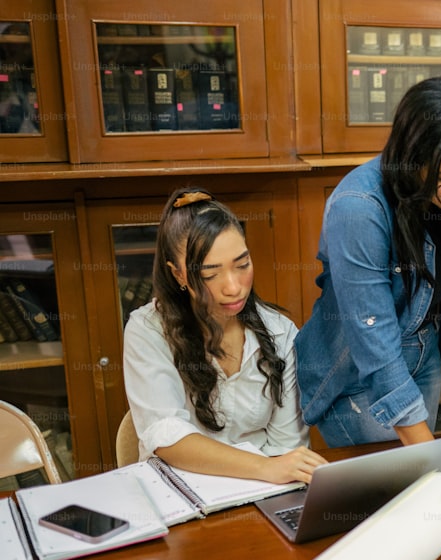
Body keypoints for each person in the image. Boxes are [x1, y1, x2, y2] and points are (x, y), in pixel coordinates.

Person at [295, 77, 441, 491]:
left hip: (420, 352)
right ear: (412, 159)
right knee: (395, 494)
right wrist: (436, 456)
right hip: (357, 373)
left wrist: (432, 457)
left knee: (421, 490)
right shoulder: (359, 208)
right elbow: (374, 348)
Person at [123, 187, 324, 484]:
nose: (233, 287)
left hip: (261, 491)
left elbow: (286, 448)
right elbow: (168, 436)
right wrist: (266, 469)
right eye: (210, 274)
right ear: (178, 274)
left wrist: (276, 471)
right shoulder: (148, 330)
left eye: (242, 265)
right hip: (181, 491)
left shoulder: (279, 334)